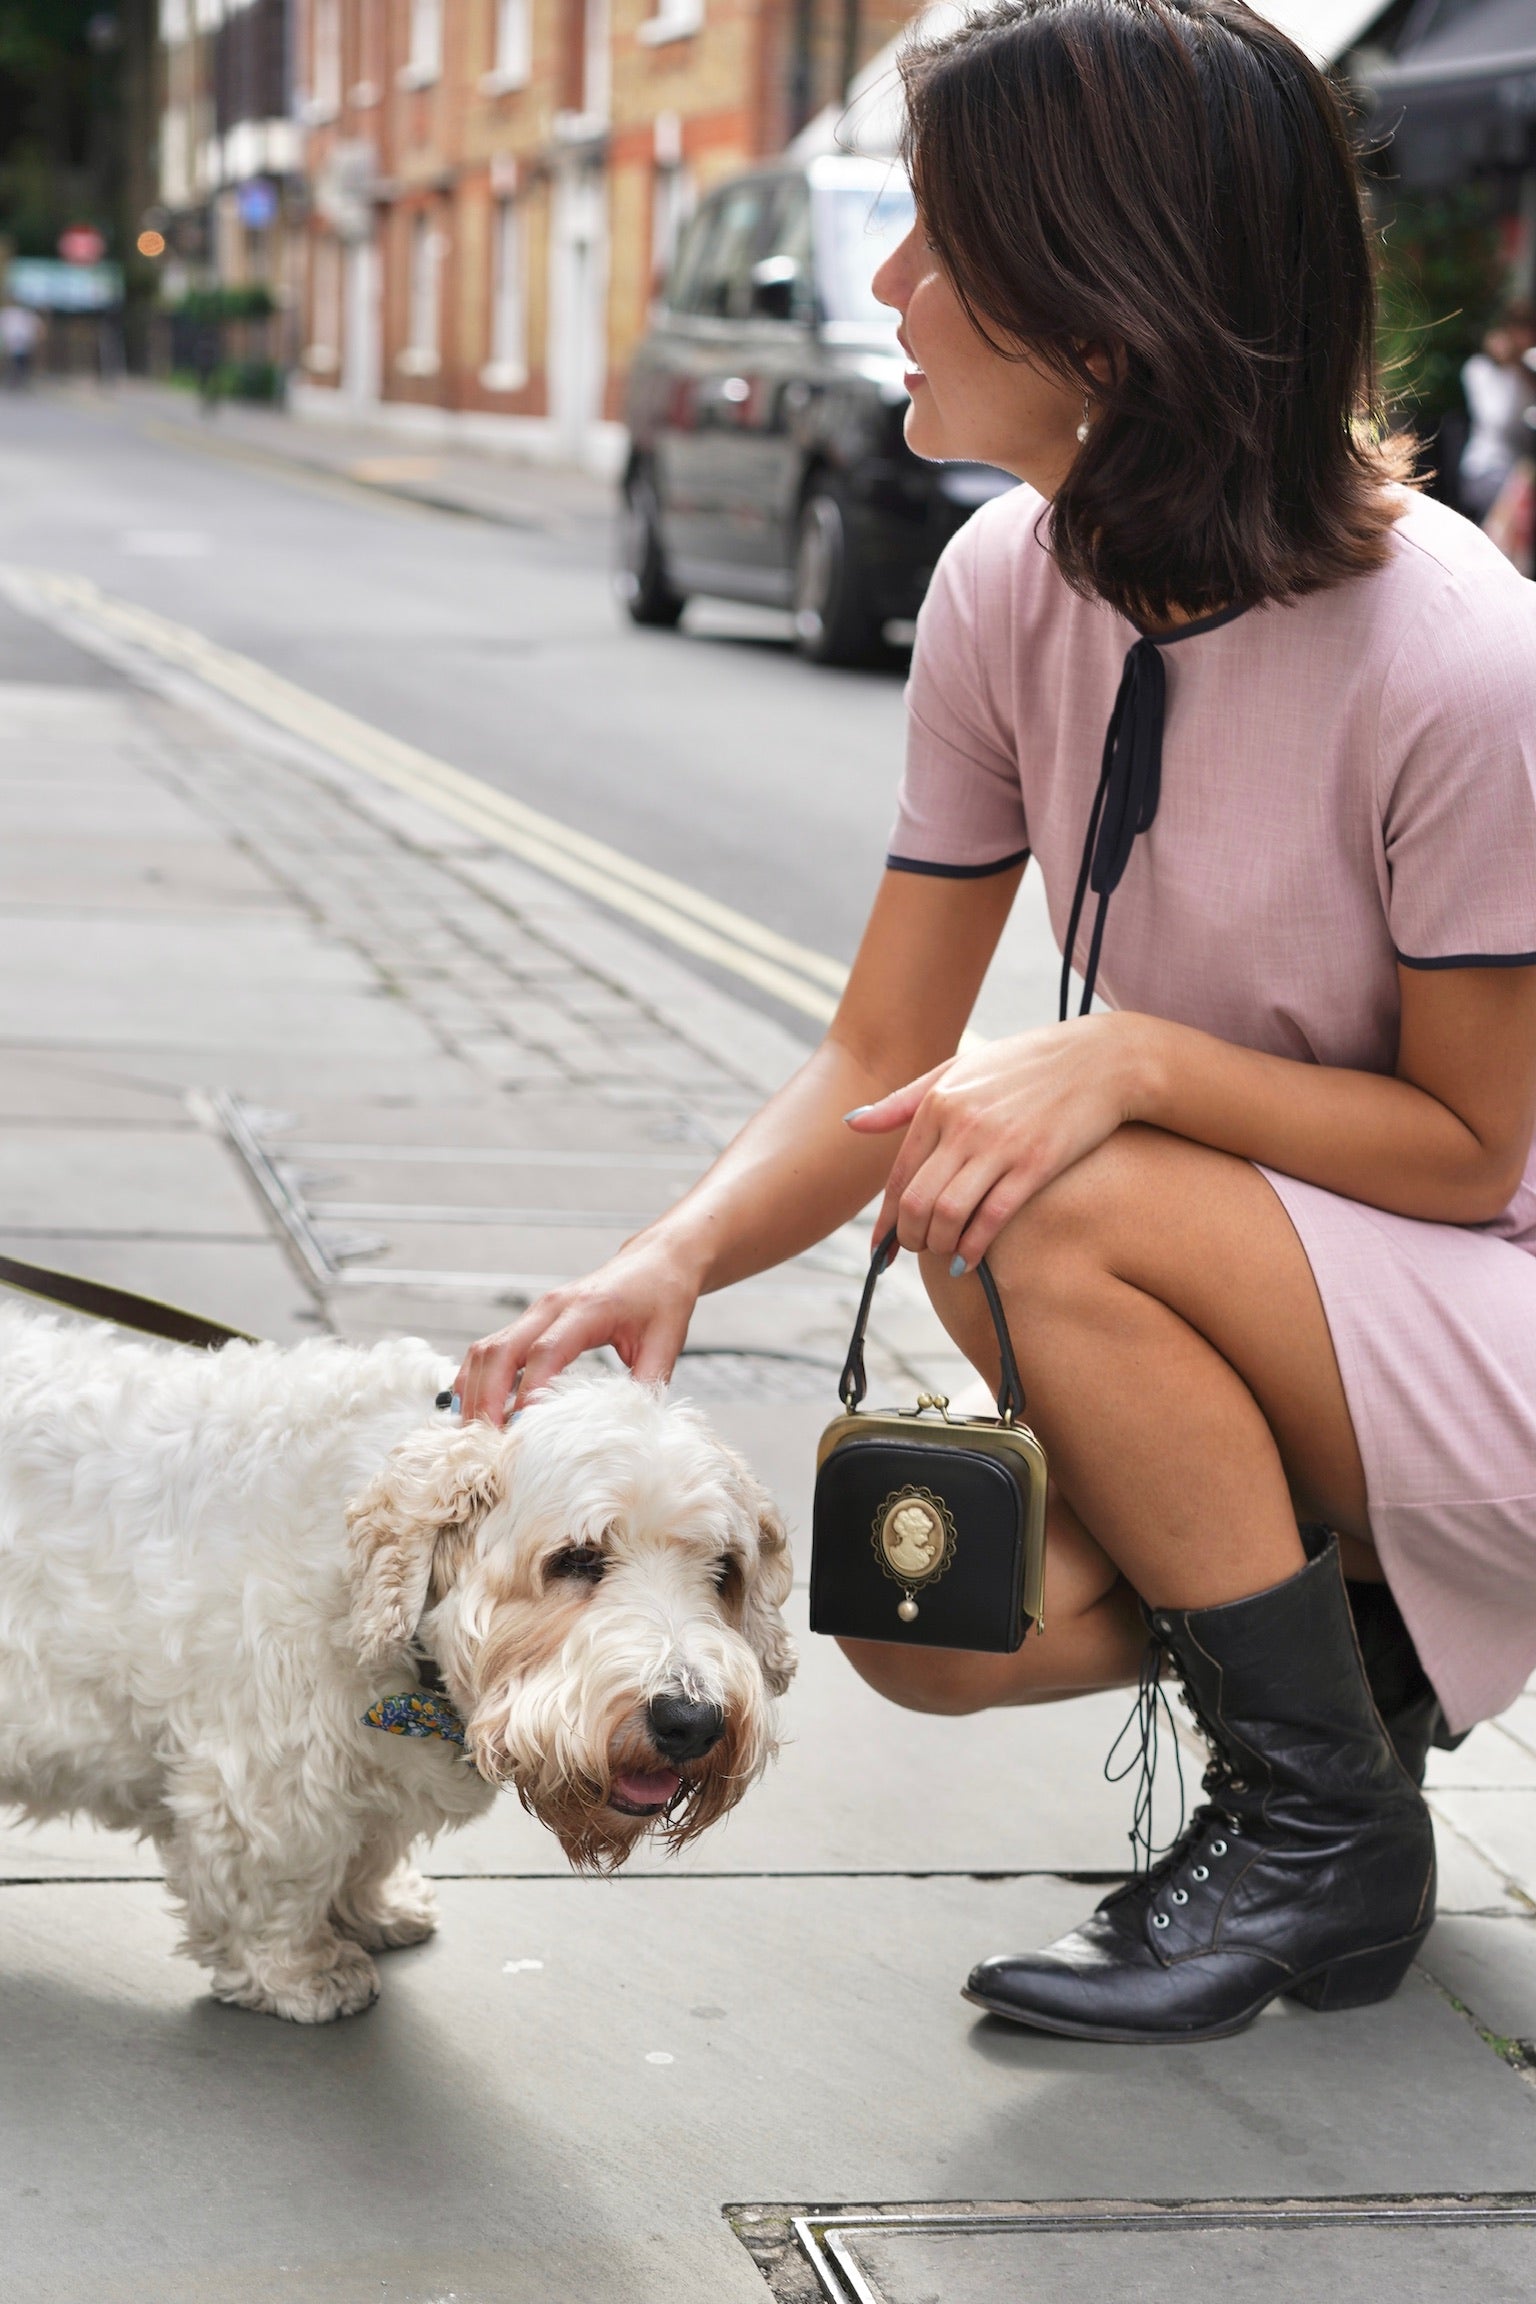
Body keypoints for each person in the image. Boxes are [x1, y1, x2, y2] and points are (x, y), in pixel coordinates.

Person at [456, 0, 1536, 2045]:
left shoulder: (1461, 654)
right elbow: (879, 1050)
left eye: (942, 244)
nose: (886, 289)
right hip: (1305, 1310)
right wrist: (668, 1257)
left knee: (1031, 1190)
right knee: (925, 1617)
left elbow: (1478, 1156)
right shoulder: (1004, 587)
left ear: (1112, 308)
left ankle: (1320, 1838)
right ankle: (1356, 1673)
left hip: (1494, 1318)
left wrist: (1127, 1055)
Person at [1459, 305, 1536, 522]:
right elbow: (1498, 420)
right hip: (1488, 469)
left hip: (1518, 471)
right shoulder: (1478, 370)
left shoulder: (1526, 370)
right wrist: (1512, 369)